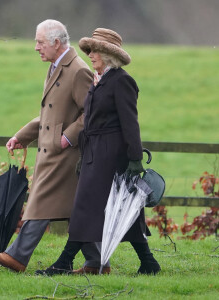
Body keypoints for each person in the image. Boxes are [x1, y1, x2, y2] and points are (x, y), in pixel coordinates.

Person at [0, 20, 110, 274]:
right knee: (76, 210)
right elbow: (49, 115)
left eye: (40, 42)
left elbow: (94, 112)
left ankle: (17, 257)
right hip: (52, 151)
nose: (36, 47)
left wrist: (68, 137)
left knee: (41, 203)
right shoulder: (56, 66)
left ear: (56, 43)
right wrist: (23, 136)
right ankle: (98, 262)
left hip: (65, 154)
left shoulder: (77, 70)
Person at [36, 28, 161, 276]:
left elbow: (130, 123)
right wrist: (84, 154)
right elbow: (90, 119)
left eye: (95, 50)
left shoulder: (122, 81)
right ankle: (148, 262)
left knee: (86, 208)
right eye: (90, 50)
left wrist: (135, 159)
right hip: (94, 154)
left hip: (112, 156)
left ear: (108, 54)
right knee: (119, 209)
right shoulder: (99, 80)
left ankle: (64, 261)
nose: (90, 55)